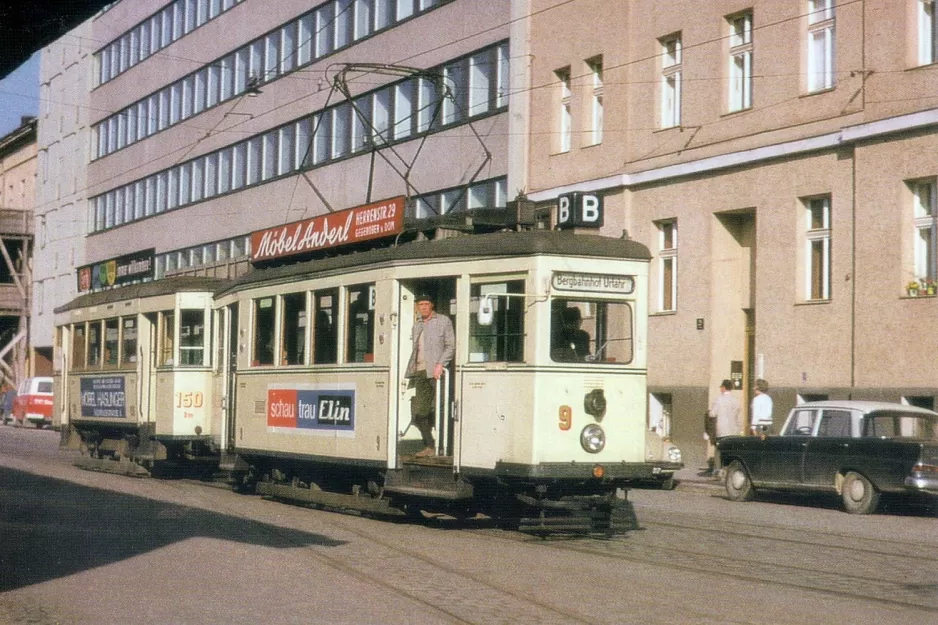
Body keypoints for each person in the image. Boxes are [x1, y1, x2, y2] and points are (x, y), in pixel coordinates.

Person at [404, 292, 455, 457]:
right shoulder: (417, 324)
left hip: (437, 373)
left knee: (441, 409)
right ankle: (429, 445)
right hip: (420, 372)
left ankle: (445, 447)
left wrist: (441, 364)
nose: (423, 307)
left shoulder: (443, 321)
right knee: (419, 412)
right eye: (420, 305)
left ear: (431, 305)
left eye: (426, 304)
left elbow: (450, 346)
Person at [706, 379, 742, 477]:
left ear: (723, 388)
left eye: (721, 387)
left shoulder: (719, 400)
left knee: (719, 450)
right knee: (731, 450)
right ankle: (731, 470)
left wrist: (709, 412)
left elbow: (713, 414)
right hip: (734, 430)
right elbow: (738, 415)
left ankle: (718, 471)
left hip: (722, 430)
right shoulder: (736, 400)